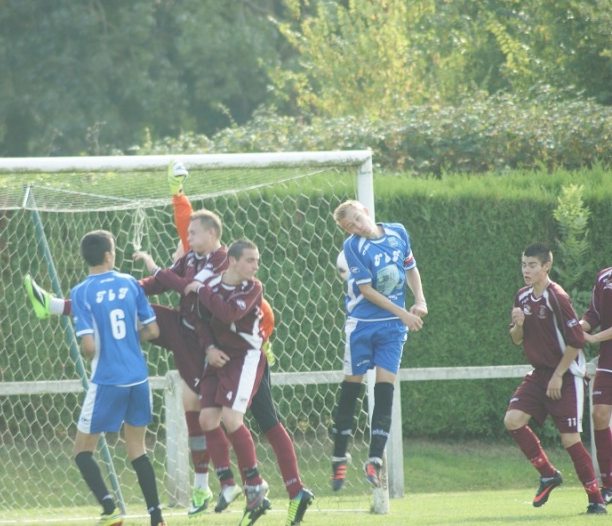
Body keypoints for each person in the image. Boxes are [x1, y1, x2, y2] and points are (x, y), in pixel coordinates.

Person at [25, 162, 314, 522]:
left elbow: (230, 306)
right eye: (187, 234)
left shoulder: (229, 264)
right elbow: (160, 285)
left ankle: (271, 488)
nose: (187, 239)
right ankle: (220, 483)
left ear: (212, 235)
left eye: (192, 233)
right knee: (205, 413)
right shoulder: (191, 258)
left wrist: (165, 260)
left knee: (254, 420)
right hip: (200, 341)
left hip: (241, 352)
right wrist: (134, 282)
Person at [69, 230, 165, 526]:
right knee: (138, 449)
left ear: (86, 257)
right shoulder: (130, 284)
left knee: (82, 452)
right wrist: (127, 342)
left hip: (107, 381)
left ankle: (110, 511)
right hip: (137, 379)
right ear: (109, 256)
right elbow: (153, 331)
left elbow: (88, 347)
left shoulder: (80, 292)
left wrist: (100, 347)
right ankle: (156, 517)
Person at [329, 200, 427, 490]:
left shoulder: (398, 232)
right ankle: (338, 457)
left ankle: (374, 461)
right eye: (350, 226)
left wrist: (419, 299)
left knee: (385, 390)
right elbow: (366, 290)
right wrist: (404, 313)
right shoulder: (353, 246)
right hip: (362, 326)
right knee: (352, 389)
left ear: (365, 211)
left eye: (358, 219)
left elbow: (411, 268)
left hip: (392, 329)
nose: (357, 227)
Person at [505, 243, 605, 514]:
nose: (526, 270)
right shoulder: (522, 296)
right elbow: (516, 339)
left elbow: (576, 342)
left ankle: (596, 500)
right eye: (524, 264)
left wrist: (558, 376)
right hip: (539, 373)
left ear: (546, 266)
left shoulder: (557, 297)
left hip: (567, 373)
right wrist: (519, 324)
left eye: (532, 265)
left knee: (570, 439)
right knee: (512, 420)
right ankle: (549, 474)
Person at [184, 239, 270, 525]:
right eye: (250, 260)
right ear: (232, 261)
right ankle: (227, 482)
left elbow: (229, 313)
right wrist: (209, 348)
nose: (256, 266)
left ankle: (255, 484)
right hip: (218, 356)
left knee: (232, 419)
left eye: (257, 261)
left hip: (245, 357)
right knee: (207, 418)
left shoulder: (252, 287)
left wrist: (202, 289)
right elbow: (201, 321)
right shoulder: (213, 285)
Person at [579, 266, 612, 503]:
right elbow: (593, 315)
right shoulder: (603, 276)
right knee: (599, 415)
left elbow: (595, 332)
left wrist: (593, 338)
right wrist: (574, 328)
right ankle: (609, 484)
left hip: (602, 345)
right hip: (608, 360)